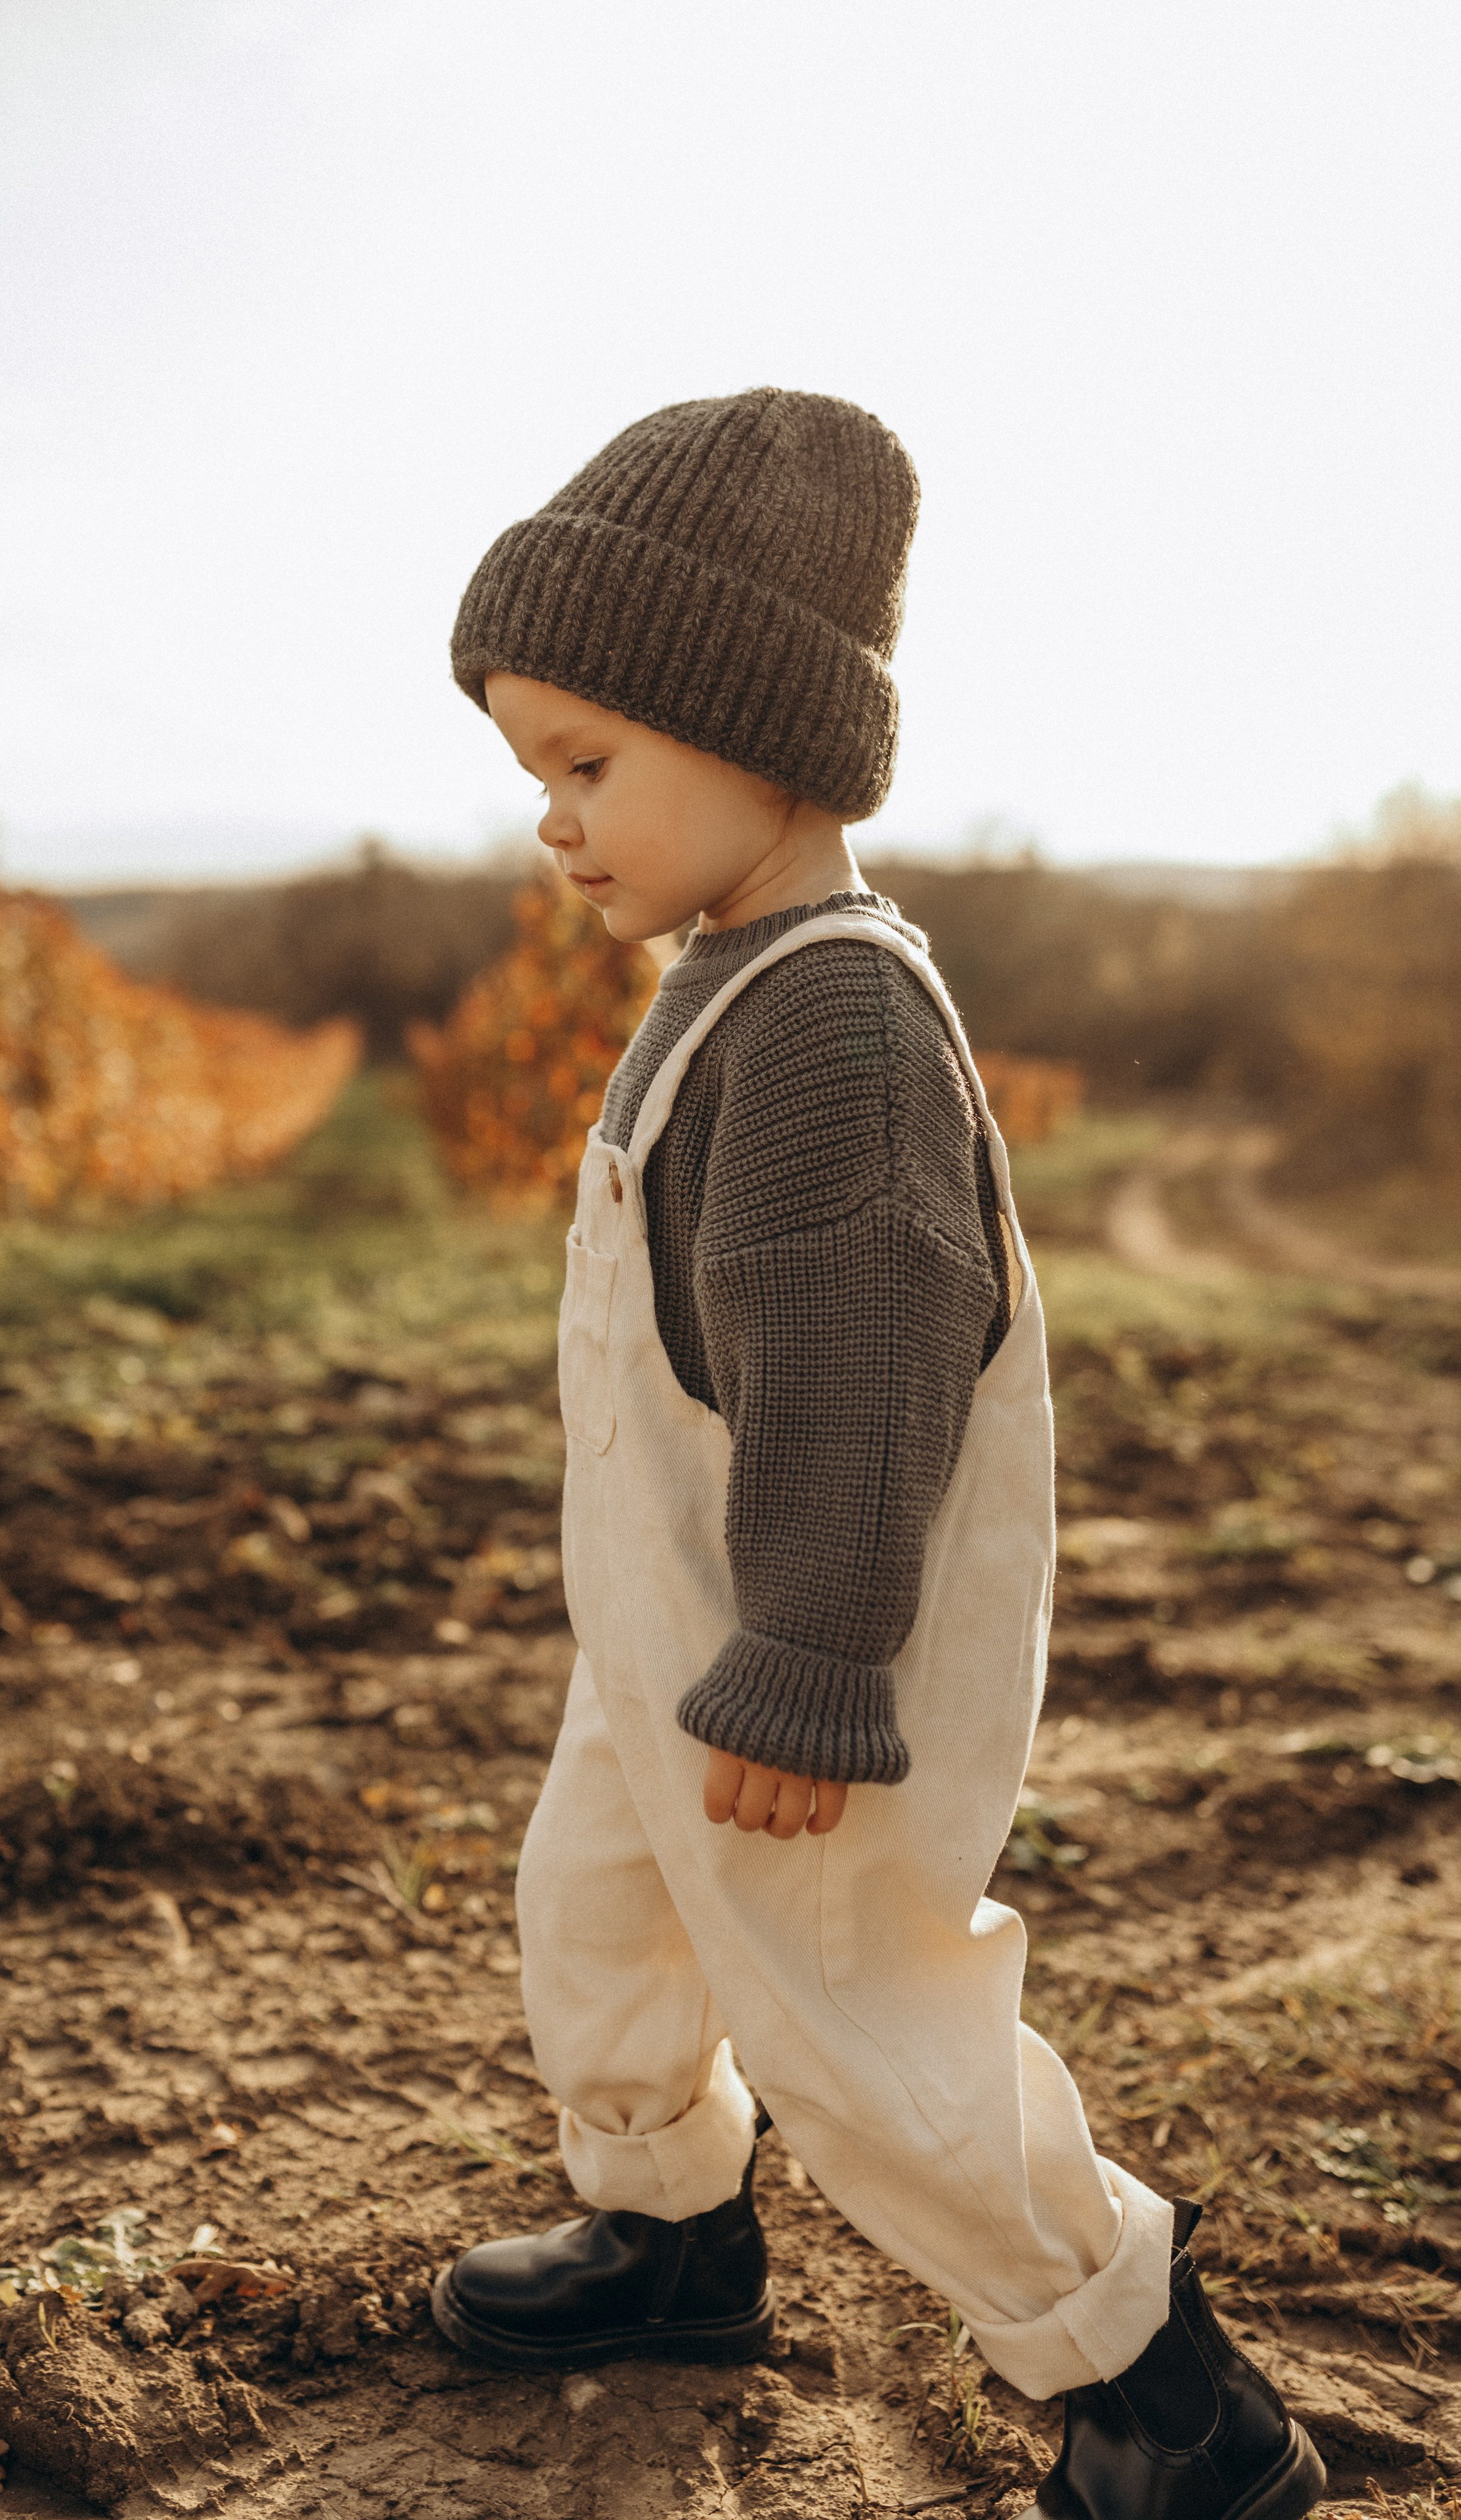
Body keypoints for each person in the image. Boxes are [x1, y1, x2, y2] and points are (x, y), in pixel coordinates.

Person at [428, 388, 1324, 2520]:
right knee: (602, 1915)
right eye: (532, 773)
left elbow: (860, 1366)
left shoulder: (834, 1022)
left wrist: (815, 1654)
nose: (552, 821)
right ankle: (671, 2233)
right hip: (687, 1619)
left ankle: (1158, 2387)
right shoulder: (736, 968)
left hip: (811, 1641)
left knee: (860, 2023)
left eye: (586, 764)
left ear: (768, 738)